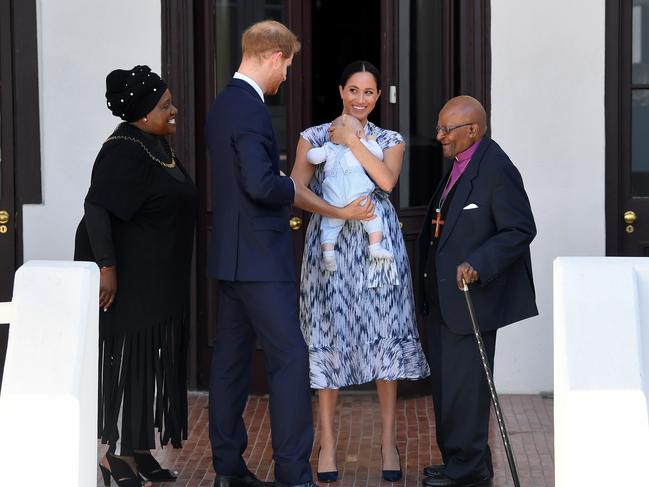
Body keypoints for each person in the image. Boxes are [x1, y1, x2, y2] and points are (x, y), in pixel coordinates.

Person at [291, 60, 430, 483]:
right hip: (330, 243)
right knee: (328, 333)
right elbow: (294, 190)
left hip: (377, 247)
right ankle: (328, 442)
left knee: (384, 332)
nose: (361, 99)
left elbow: (386, 181)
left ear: (377, 97)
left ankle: (389, 442)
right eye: (354, 90)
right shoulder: (312, 137)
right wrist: (338, 210)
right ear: (340, 91)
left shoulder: (390, 139)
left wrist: (352, 141)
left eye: (369, 93)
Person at [205, 21, 316, 487]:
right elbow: (258, 183)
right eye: (287, 66)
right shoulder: (250, 109)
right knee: (290, 360)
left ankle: (228, 469)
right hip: (260, 259)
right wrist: (293, 185)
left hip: (230, 258)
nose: (286, 76)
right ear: (273, 56)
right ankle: (293, 474)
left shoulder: (221, 104)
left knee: (229, 364)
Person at [74, 65, 197, 487]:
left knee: (150, 366)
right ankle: (115, 457)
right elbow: (96, 208)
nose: (174, 109)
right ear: (143, 113)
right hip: (134, 285)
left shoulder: (156, 144)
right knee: (133, 365)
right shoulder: (124, 147)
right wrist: (106, 268)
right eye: (165, 105)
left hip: (161, 282)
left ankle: (138, 448)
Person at [417, 96, 537, 487]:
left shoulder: (497, 169)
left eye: (446, 129)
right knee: (448, 387)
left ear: (473, 130)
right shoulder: (459, 164)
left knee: (466, 389)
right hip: (443, 300)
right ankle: (460, 460)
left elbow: (519, 229)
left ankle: (467, 470)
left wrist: (480, 264)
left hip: (472, 300)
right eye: (439, 127)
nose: (439, 137)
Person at [306, 114, 393, 271]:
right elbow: (378, 154)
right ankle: (374, 247)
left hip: (336, 197)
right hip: (355, 195)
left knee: (329, 226)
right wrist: (370, 141)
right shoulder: (355, 145)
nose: (331, 133)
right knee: (373, 219)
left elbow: (313, 157)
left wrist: (316, 151)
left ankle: (329, 254)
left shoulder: (333, 148)